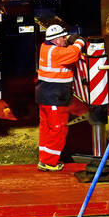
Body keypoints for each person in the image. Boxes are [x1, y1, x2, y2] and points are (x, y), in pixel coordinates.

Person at [36, 22, 86, 171]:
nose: (65, 40)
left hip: (45, 95)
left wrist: (69, 37)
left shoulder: (45, 47)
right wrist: (79, 41)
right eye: (63, 38)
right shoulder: (56, 53)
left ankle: (44, 158)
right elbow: (74, 53)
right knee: (58, 129)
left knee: (46, 127)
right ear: (57, 40)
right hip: (55, 97)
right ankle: (50, 163)